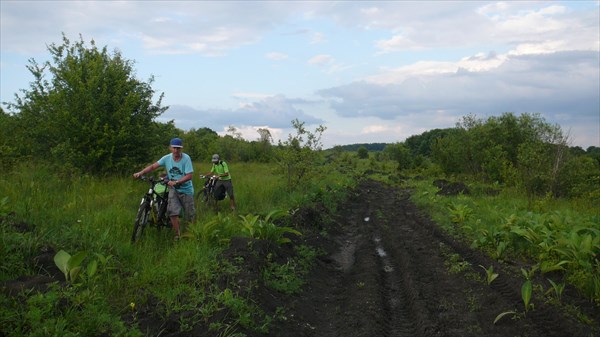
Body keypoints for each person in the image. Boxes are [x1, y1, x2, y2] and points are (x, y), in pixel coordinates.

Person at [133, 137, 195, 240]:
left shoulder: (186, 158)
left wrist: (176, 182)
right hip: (173, 189)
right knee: (172, 212)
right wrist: (140, 173)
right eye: (174, 148)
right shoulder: (166, 158)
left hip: (186, 190)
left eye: (178, 148)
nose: (176, 150)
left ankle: (192, 234)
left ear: (181, 149)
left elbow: (189, 175)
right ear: (170, 148)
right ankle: (177, 235)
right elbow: (153, 166)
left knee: (190, 215)